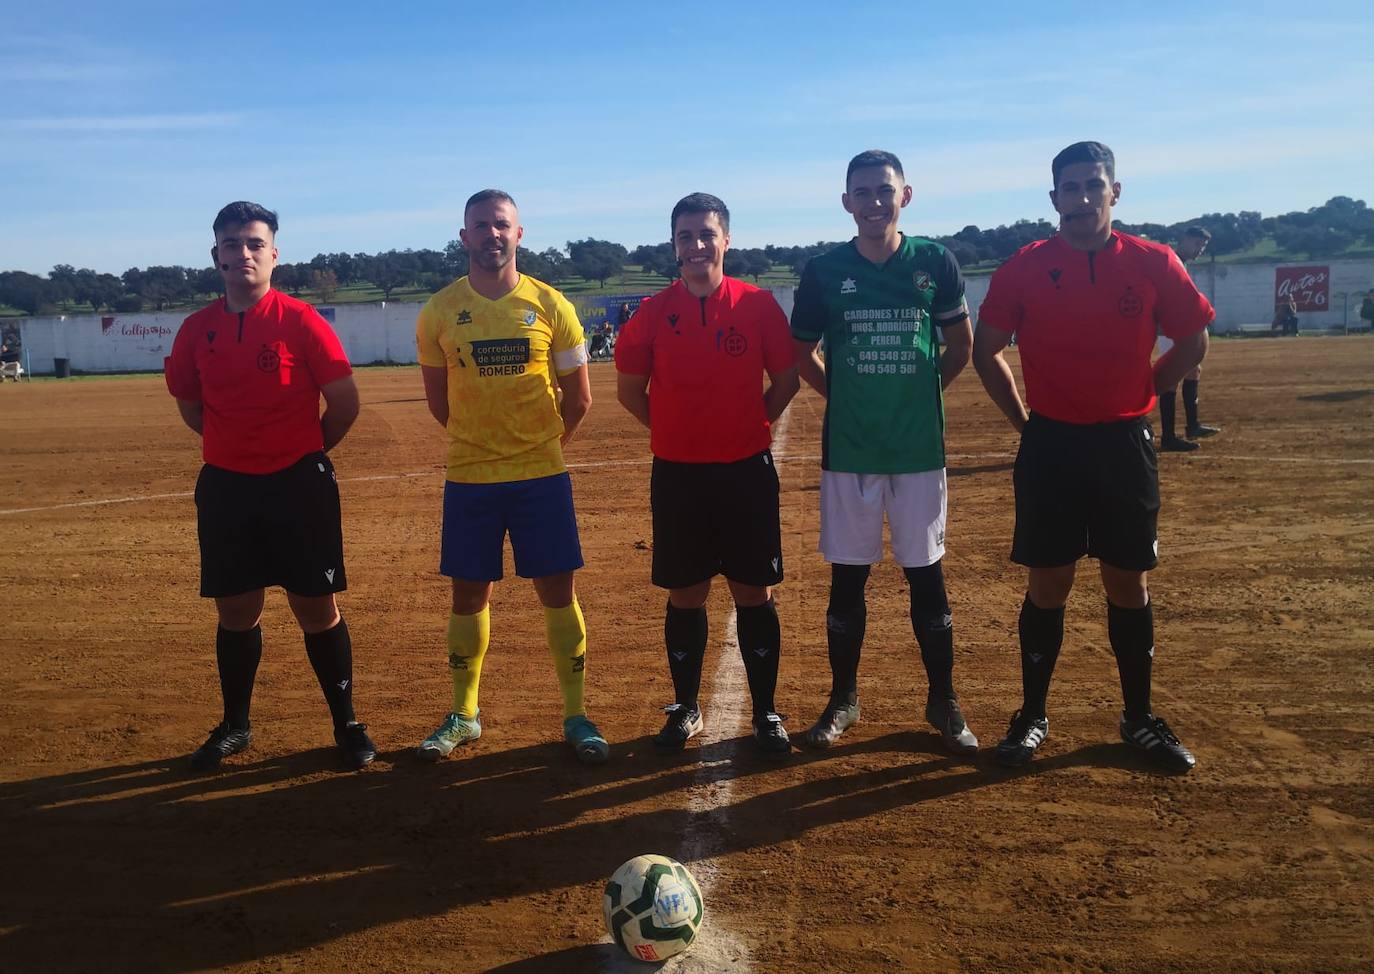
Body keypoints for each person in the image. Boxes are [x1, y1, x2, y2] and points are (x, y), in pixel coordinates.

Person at [972, 141, 1212, 773]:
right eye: (1069, 188)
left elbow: (1192, 341)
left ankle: (1138, 718)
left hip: (1123, 444)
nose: (1081, 198)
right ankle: (1031, 716)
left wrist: (1144, 393)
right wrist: (1024, 421)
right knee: (1048, 582)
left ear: (1115, 192)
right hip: (1051, 443)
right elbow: (986, 348)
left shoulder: (1154, 262)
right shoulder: (1025, 267)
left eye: (1092, 186)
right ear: (1053, 199)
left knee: (1125, 581)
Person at [164, 201, 375, 772]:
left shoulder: (302, 321)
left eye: (255, 243)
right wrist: (237, 448)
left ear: (274, 254)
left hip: (298, 486)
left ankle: (346, 722)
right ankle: (236, 725)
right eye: (232, 244)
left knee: (316, 605)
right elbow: (191, 407)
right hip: (228, 489)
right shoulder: (196, 329)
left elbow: (345, 405)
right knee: (236, 610)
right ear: (216, 256)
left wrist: (301, 451)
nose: (244, 253)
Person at [790, 150, 978, 755]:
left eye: (884, 191)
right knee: (848, 578)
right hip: (850, 450)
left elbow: (960, 346)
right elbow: (801, 352)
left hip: (918, 448)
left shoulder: (934, 262)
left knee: (928, 576)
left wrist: (917, 395)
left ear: (906, 195)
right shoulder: (823, 271)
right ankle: (843, 698)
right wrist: (843, 395)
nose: (874, 202)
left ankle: (944, 699)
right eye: (862, 192)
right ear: (846, 201)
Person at [414, 189, 607, 765]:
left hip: (541, 476)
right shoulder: (439, 311)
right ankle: (465, 714)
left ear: (519, 234)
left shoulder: (553, 305)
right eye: (481, 226)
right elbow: (438, 402)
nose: (492, 235)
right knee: (469, 594)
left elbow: (580, 399)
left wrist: (541, 446)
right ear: (464, 237)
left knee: (558, 590)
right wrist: (484, 444)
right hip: (470, 478)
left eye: (502, 225)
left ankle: (575, 713)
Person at [615, 193, 800, 758]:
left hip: (746, 473)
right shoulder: (650, 313)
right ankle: (686, 707)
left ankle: (766, 712)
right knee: (686, 594)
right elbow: (629, 392)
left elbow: (787, 379)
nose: (696, 246)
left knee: (754, 592)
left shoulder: (759, 305)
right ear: (674, 246)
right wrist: (673, 432)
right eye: (685, 237)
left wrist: (750, 423)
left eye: (706, 234)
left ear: (726, 239)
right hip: (679, 477)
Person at [1157, 226, 1218, 451]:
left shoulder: (1179, 262)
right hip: (1171, 330)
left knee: (1194, 370)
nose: (1200, 249)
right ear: (1183, 240)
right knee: (1171, 379)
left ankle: (1192, 425)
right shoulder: (1171, 261)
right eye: (1197, 243)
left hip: (1178, 329)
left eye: (1203, 246)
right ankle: (1168, 437)